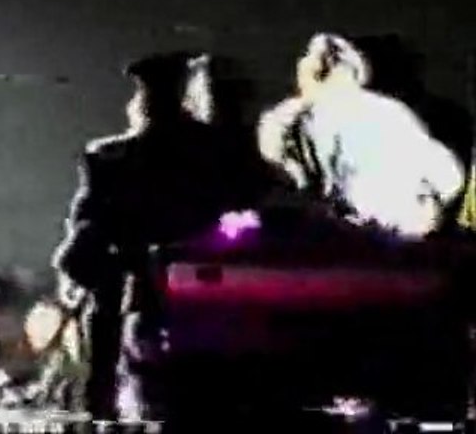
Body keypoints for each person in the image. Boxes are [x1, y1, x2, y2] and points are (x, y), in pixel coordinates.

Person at [52, 51, 234, 421]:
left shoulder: (110, 157)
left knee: (105, 325)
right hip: (194, 277)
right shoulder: (211, 151)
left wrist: (78, 264)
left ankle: (101, 403)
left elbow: (87, 218)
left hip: (131, 278)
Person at [257, 33, 464, 236]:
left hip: (339, 232)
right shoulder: (391, 111)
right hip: (396, 231)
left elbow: (286, 178)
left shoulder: (284, 119)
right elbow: (448, 179)